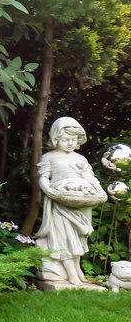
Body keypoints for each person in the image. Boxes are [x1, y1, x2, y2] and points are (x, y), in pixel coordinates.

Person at [35, 117, 107, 286]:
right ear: (55, 139)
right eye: (65, 139)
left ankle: (77, 267)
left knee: (80, 236)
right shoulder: (49, 157)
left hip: (82, 201)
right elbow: (43, 177)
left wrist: (101, 190)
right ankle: (70, 273)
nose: (69, 143)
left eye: (73, 140)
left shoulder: (81, 159)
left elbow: (90, 178)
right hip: (60, 201)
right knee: (63, 237)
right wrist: (49, 190)